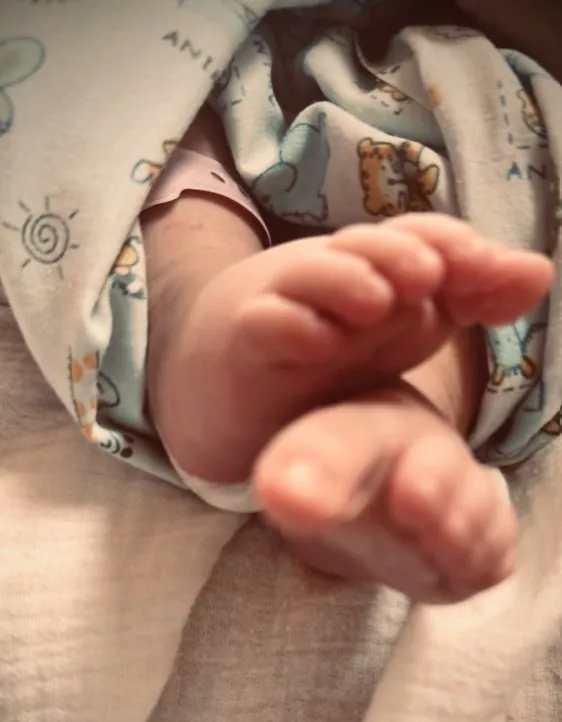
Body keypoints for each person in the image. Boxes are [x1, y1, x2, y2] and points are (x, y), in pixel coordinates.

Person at [1, 0, 560, 605]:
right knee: (111, 105)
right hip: (171, 48)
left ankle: (401, 416)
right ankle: (198, 319)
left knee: (471, 249)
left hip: (457, 70)